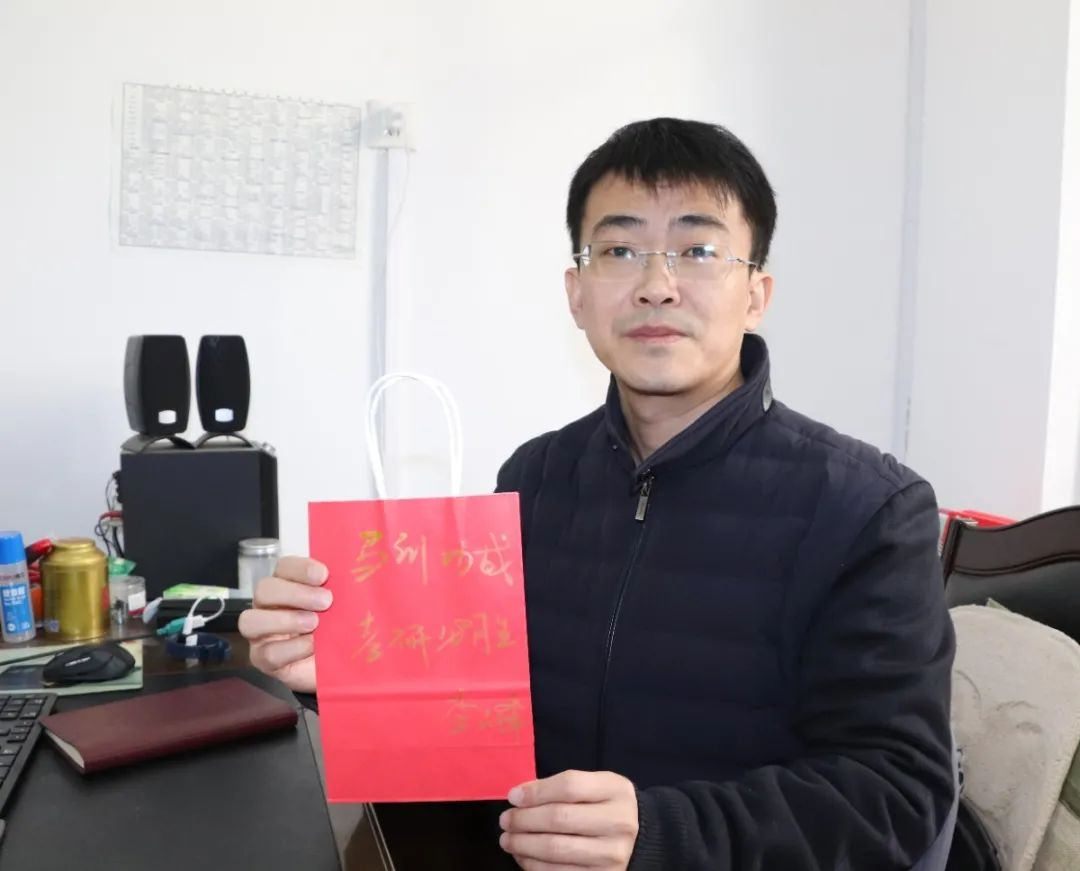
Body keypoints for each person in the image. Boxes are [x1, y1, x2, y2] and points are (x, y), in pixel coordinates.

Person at [240, 118, 957, 870]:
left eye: (698, 250)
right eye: (618, 251)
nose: (656, 284)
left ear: (756, 294)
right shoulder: (534, 479)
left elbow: (898, 792)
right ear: (577, 294)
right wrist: (348, 674)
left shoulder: (867, 510)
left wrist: (662, 833)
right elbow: (475, 729)